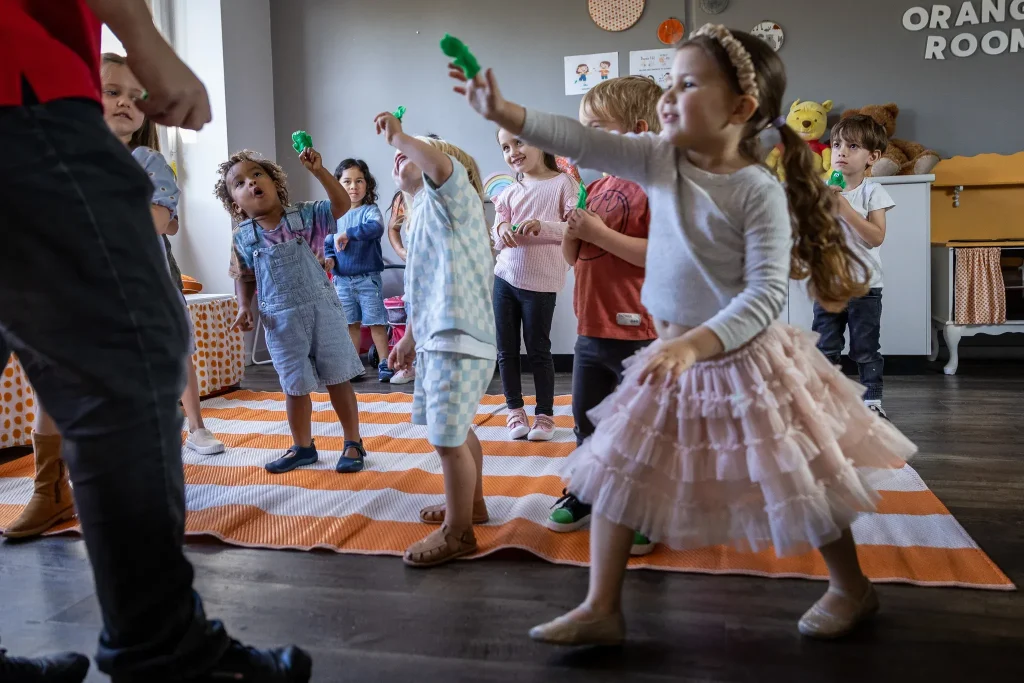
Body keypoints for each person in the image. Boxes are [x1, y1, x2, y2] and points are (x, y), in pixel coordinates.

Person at [451, 24, 917, 645]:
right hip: (668, 356)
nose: (669, 96)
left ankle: (851, 587)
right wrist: (505, 112)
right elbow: (581, 139)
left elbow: (763, 297)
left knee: (796, 475)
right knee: (619, 466)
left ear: (740, 108)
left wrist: (695, 344)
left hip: (743, 360)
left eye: (688, 84)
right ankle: (601, 606)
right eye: (669, 83)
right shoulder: (659, 159)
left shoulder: (757, 191)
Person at [0, 1, 311, 680]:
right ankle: (164, 653)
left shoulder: (152, 164)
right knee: (124, 365)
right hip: (20, 87)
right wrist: (142, 35)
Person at [546, 76, 663, 558]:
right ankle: (587, 491)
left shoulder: (658, 186)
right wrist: (574, 231)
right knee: (585, 419)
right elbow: (574, 258)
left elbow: (658, 256)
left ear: (638, 130)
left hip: (639, 332)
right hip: (590, 327)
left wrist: (598, 232)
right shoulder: (595, 188)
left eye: (597, 128)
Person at [376, 112, 496, 567]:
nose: (400, 155)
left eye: (415, 151)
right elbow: (421, 287)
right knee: (457, 429)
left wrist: (402, 137)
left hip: (457, 336)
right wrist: (409, 337)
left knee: (446, 439)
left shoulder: (450, 198)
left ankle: (458, 533)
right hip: (440, 336)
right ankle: (472, 506)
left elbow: (440, 166)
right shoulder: (419, 216)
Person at [101, 51, 225, 455]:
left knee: (173, 352)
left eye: (136, 97)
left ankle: (195, 426)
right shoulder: (74, 162)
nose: (125, 101)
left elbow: (156, 221)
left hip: (149, 280)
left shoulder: (147, 160)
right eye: (112, 92)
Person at [216, 148, 366, 474]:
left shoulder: (305, 216)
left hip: (323, 315)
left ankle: (353, 442)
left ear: (274, 181)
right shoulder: (244, 238)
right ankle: (302, 446)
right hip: (281, 323)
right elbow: (244, 277)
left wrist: (320, 171)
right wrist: (243, 306)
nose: (251, 182)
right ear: (235, 204)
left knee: (338, 378)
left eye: (257, 174)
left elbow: (341, 205)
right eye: (239, 183)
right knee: (294, 387)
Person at [491, 130, 577, 442]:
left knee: (539, 350)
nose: (512, 151)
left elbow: (577, 226)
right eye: (505, 147)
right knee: (506, 350)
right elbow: (496, 233)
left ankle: (544, 414)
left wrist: (544, 226)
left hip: (541, 282)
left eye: (518, 142)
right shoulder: (510, 191)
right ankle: (514, 410)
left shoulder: (564, 183)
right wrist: (501, 227)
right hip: (505, 277)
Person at [813, 115, 895, 420]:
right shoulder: (822, 190)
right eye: (836, 145)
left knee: (865, 348)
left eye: (853, 146)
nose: (841, 152)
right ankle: (825, 402)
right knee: (824, 348)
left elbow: (876, 237)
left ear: (872, 157)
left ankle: (872, 400)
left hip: (865, 286)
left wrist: (845, 209)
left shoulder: (873, 192)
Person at [324, 159, 393, 382]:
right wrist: (330, 259)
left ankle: (385, 362)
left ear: (367, 184)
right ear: (337, 185)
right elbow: (328, 243)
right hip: (342, 282)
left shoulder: (370, 211)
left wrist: (348, 234)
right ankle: (354, 366)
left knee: (376, 323)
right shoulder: (333, 216)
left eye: (359, 181)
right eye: (347, 182)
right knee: (350, 324)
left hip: (367, 280)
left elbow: (376, 228)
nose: (353, 186)